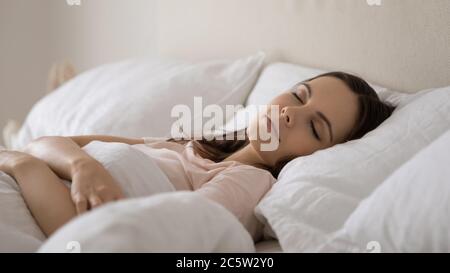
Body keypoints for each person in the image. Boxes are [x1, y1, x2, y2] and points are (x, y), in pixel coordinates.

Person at [0, 70, 395, 242]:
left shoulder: (245, 184)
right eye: (299, 95)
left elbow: (117, 240)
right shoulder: (192, 146)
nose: (292, 112)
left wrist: (25, 165)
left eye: (315, 127)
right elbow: (53, 140)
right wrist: (80, 164)